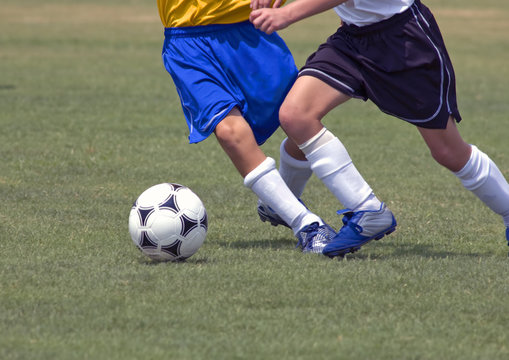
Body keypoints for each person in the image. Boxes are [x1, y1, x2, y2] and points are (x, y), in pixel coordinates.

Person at [250, 0, 509, 257]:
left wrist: (288, 13)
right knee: (296, 115)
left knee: (448, 152)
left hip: (403, 40)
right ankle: (366, 209)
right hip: (352, 38)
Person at [157, 0, 337, 253]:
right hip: (188, 40)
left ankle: (279, 202)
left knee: (299, 119)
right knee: (229, 131)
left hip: (250, 32)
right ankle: (307, 225)